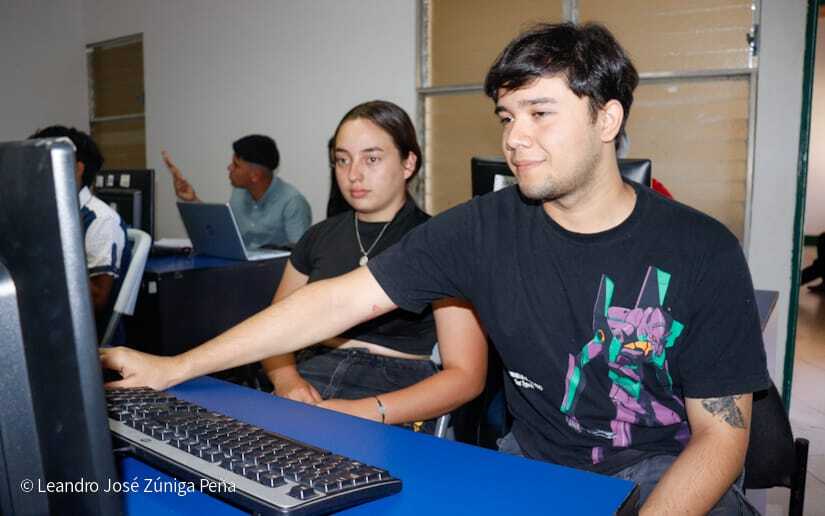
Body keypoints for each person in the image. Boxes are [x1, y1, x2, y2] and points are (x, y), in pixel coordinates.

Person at [102, 23, 770, 514]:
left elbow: (718, 438)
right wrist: (176, 365)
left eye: (540, 112)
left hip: (664, 474)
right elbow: (329, 303)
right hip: (531, 468)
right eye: (507, 116)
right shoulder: (481, 228)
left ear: (607, 119)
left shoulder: (698, 249)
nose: (513, 137)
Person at [260, 100, 486, 429]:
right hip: (311, 374)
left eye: (372, 158)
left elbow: (466, 375)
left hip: (394, 393)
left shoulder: (438, 241)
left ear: (408, 163)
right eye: (342, 160)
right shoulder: (318, 236)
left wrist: (370, 409)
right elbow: (273, 329)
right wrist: (286, 380)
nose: (353, 174)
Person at [30, 126, 127, 342]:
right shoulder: (46, 213)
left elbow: (96, 302)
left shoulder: (100, 219)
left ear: (76, 169)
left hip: (77, 339)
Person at [163, 134, 312, 247]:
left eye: (236, 165)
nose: (229, 168)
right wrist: (192, 199)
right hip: (237, 270)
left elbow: (299, 257)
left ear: (255, 176)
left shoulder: (293, 203)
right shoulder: (239, 193)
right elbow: (222, 231)